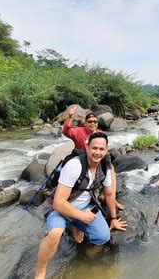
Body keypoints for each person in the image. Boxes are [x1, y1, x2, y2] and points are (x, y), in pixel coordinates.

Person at [35, 132, 127, 279]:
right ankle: (40, 273)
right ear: (87, 147)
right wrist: (82, 217)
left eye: (101, 149)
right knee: (55, 234)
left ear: (106, 149)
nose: (97, 152)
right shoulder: (75, 165)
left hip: (85, 206)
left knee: (103, 237)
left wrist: (114, 218)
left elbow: (109, 194)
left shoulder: (105, 166)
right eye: (94, 148)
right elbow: (58, 202)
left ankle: (75, 225)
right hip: (61, 209)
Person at [62, 105, 124, 210]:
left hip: (96, 161)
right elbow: (66, 131)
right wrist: (70, 116)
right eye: (90, 121)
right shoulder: (78, 131)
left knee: (111, 170)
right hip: (81, 160)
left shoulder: (101, 133)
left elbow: (104, 149)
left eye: (95, 121)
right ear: (85, 123)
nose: (92, 123)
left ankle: (112, 199)